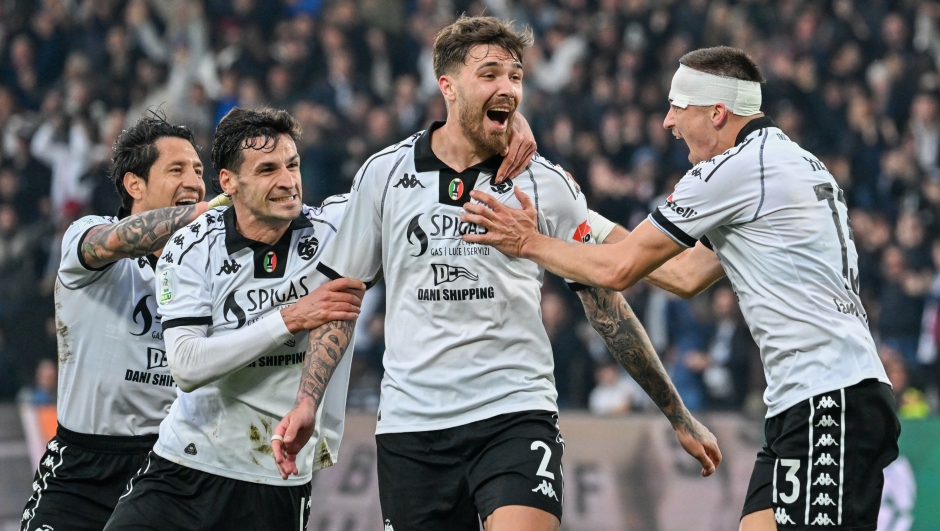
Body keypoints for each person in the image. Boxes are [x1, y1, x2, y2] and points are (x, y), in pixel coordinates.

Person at [273, 16, 719, 531]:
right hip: (412, 428)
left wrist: (676, 413)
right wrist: (307, 401)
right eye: (490, 74)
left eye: (515, 76)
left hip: (515, 411)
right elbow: (340, 300)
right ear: (448, 86)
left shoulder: (546, 183)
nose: (507, 87)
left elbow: (606, 308)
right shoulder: (385, 175)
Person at [463, 46, 900, 531]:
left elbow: (619, 271)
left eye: (678, 107)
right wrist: (577, 214)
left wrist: (529, 241)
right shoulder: (789, 162)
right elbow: (685, 276)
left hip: (827, 399)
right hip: (817, 399)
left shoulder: (730, 172)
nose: (668, 121)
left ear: (717, 113)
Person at [100, 107, 366, 530]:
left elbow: (411, 187)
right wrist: (292, 317)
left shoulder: (336, 230)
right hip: (184, 464)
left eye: (292, 165)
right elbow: (188, 365)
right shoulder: (190, 247)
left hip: (274, 476)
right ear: (229, 182)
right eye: (267, 169)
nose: (287, 181)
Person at [19, 114, 233, 531]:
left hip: (171, 470)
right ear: (135, 184)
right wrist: (201, 213)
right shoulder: (90, 237)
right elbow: (113, 242)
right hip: (83, 471)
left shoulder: (212, 270)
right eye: (176, 169)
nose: (193, 179)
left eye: (196, 170)